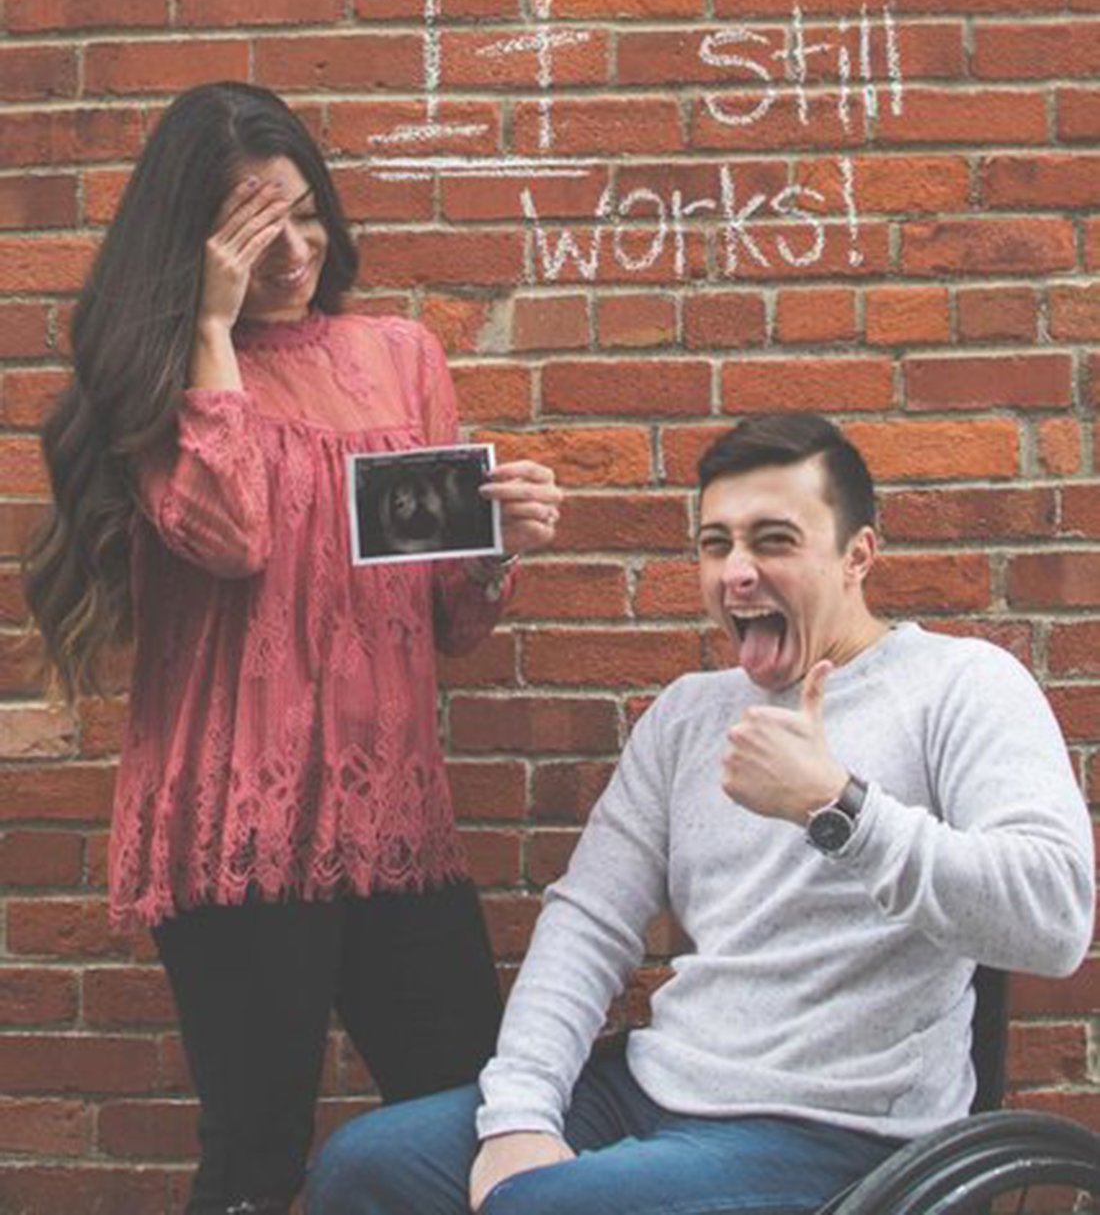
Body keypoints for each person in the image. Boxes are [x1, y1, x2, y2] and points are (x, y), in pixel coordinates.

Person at [307, 412, 1094, 1215]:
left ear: (858, 555)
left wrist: (837, 808)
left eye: (774, 541)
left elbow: (1055, 919)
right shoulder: (690, 713)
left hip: (838, 1131)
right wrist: (520, 1114)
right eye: (717, 545)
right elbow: (589, 920)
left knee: (538, 1208)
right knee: (365, 1166)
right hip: (656, 1086)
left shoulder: (959, 686)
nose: (737, 573)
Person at [22, 81, 562, 1215]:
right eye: (255, 231)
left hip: (393, 821)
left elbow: (448, 623)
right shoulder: (153, 380)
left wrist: (493, 550)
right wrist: (209, 334)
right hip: (238, 826)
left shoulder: (401, 356)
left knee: (470, 1121)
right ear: (197, 244)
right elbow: (233, 535)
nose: (294, 251)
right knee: (257, 1156)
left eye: (307, 216)